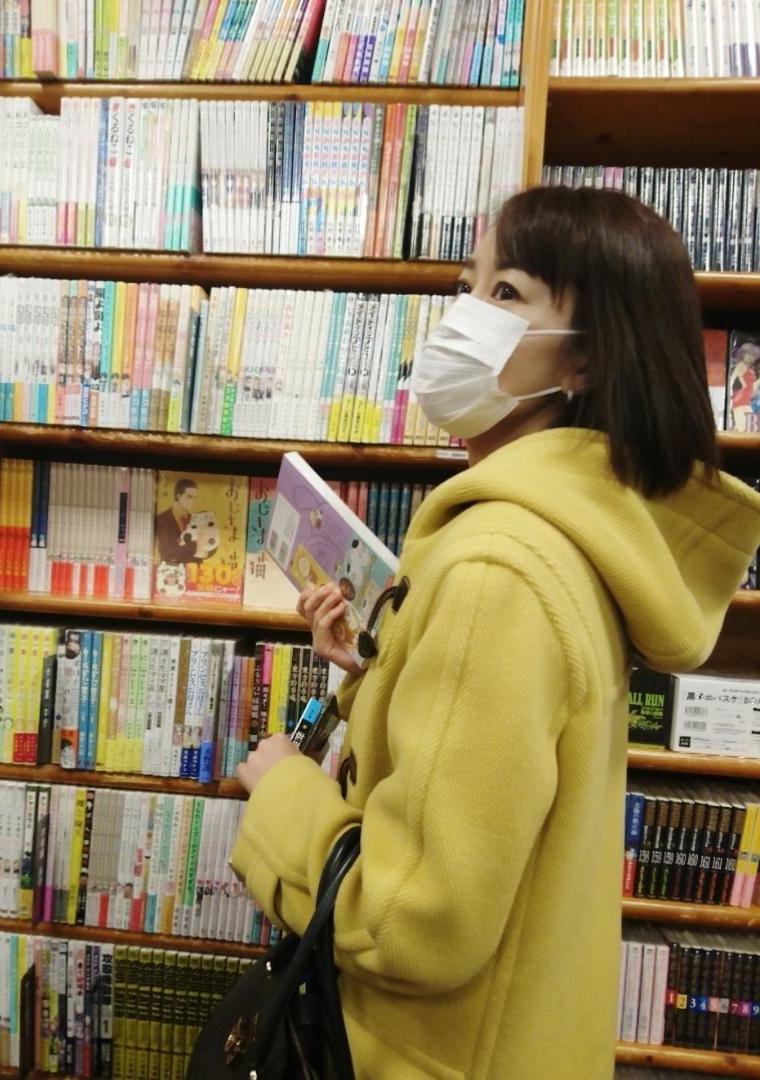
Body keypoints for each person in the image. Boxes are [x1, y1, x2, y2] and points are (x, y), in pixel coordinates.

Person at [230, 187, 760, 1079]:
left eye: (506, 292)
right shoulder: (573, 532)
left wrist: (281, 791)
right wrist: (376, 668)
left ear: (583, 360)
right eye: (467, 285)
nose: (463, 316)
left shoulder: (496, 568)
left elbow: (413, 918)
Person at [155, 477, 200, 563]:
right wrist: (197, 546)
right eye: (189, 497)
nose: (193, 501)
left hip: (192, 568)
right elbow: (168, 552)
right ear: (178, 496)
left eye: (195, 498)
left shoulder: (195, 520)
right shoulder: (161, 519)